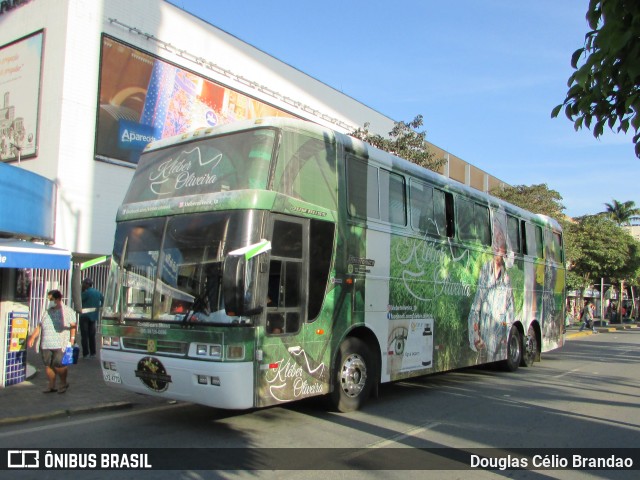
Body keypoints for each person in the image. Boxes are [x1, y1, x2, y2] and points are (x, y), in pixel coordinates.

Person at [468, 222, 515, 363]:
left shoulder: (507, 279)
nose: (496, 246)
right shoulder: (485, 272)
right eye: (494, 241)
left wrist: (506, 338)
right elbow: (474, 310)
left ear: (504, 249)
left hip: (500, 342)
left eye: (499, 242)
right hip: (485, 343)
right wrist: (475, 338)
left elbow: (510, 314)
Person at [27, 290, 77, 394]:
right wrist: (32, 337)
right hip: (46, 343)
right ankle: (51, 385)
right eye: (49, 299)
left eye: (52, 299)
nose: (50, 301)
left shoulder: (67, 311)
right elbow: (40, 326)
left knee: (59, 365)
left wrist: (72, 339)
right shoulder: (47, 311)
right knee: (48, 365)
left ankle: (63, 383)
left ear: (58, 299)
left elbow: (73, 326)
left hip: (60, 343)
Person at [79, 278, 104, 358]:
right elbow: (103, 300)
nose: (82, 285)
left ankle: (86, 353)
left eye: (83, 284)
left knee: (84, 336)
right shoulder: (98, 292)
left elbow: (80, 301)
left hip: (84, 316)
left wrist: (81, 292)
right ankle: (93, 352)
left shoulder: (86, 293)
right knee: (92, 335)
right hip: (93, 316)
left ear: (87, 284)